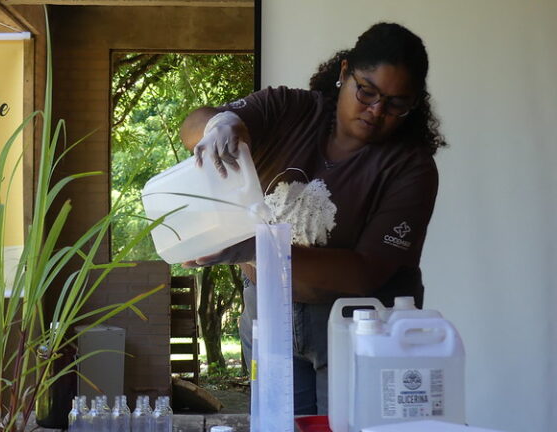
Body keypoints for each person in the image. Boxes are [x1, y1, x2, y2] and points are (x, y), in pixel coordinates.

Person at [179, 22, 446, 415]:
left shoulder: (410, 167)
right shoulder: (292, 110)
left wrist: (257, 247)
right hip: (270, 312)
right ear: (343, 73)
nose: (376, 111)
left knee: (350, 423)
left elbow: (363, 272)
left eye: (395, 104)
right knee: (277, 422)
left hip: (360, 324)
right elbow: (194, 125)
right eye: (367, 92)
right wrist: (221, 124)